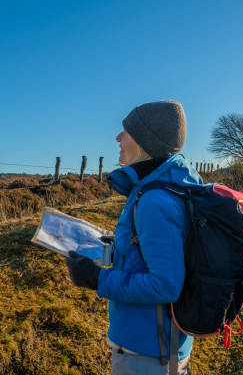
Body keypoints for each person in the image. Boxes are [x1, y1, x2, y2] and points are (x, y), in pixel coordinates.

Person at [65, 100, 203, 375]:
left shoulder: (154, 200)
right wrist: (115, 249)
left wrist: (96, 278)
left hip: (148, 354)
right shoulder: (173, 186)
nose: (118, 137)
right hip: (158, 347)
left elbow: (165, 284)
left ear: (144, 141)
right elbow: (156, 255)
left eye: (126, 131)